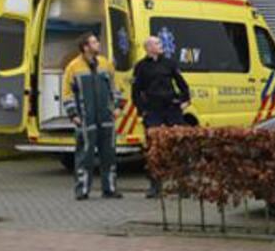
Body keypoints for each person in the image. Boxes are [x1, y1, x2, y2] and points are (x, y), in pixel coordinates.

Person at [132, 34, 193, 197]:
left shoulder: (169, 64)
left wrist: (185, 100)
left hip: (171, 109)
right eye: (157, 43)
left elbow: (182, 84)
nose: (161, 45)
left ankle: (184, 185)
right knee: (153, 148)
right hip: (153, 111)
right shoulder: (141, 67)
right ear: (148, 48)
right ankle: (155, 185)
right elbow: (136, 91)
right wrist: (142, 110)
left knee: (180, 145)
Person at [61, 33, 120, 200]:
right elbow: (67, 94)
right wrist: (73, 115)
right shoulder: (73, 67)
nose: (98, 44)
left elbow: (115, 88)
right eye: (94, 42)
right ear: (85, 47)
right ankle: (82, 190)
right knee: (84, 156)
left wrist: (116, 108)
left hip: (106, 118)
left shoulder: (106, 64)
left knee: (109, 154)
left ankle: (110, 189)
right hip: (86, 118)